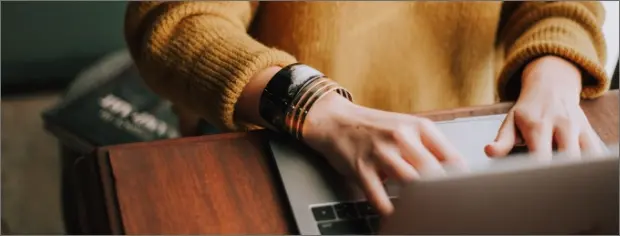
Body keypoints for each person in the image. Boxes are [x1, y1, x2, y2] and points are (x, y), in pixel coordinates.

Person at [124, 1, 610, 216]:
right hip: (286, 143)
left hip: (470, 153)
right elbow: (174, 22)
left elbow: (563, 4)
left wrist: (554, 70)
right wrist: (314, 105)